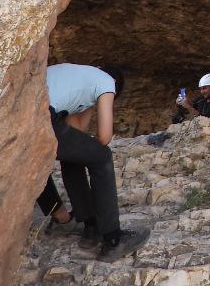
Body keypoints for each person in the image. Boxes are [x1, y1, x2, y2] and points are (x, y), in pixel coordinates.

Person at [37, 63, 149, 259]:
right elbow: (104, 137)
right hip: (41, 113)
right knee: (102, 156)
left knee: (73, 154)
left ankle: (87, 225)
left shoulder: (77, 75)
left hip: (22, 111)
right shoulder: (106, 82)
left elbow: (76, 131)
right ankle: (113, 239)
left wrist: (91, 103)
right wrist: (103, 97)